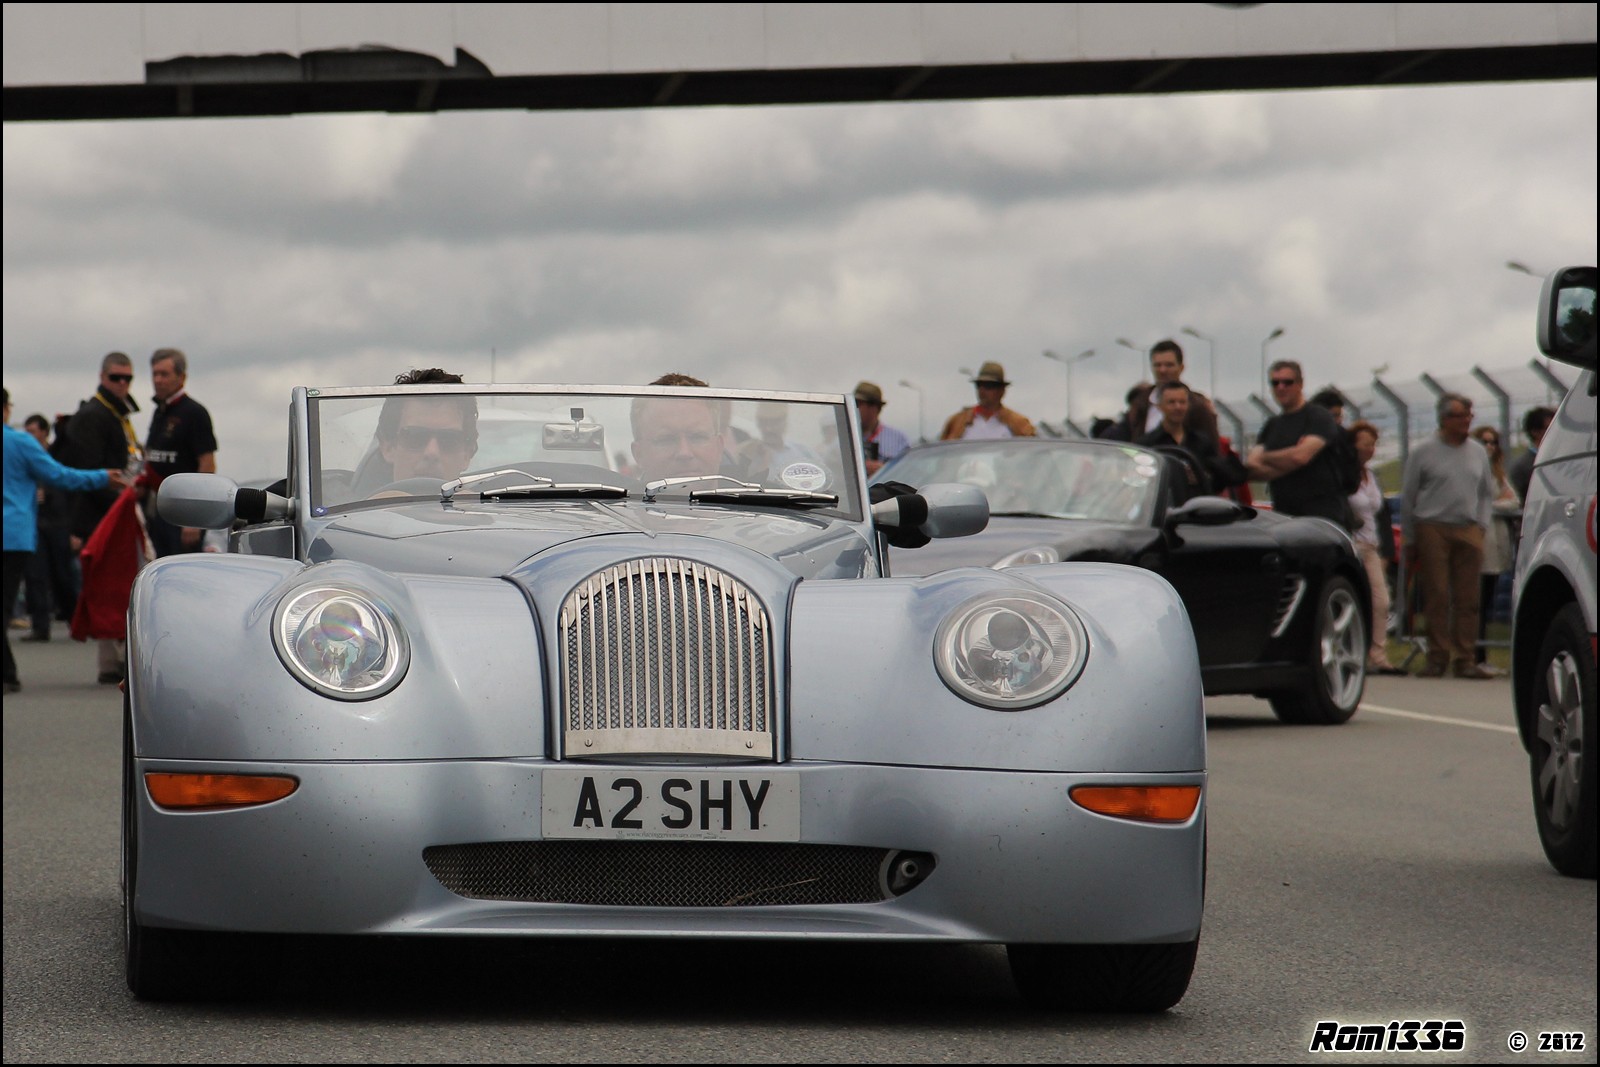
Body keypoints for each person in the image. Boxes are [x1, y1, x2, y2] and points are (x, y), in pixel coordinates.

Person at [4, 388, 125, 693]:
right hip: (13, 534)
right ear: (6, 409)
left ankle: (7, 673)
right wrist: (100, 477)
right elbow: (59, 475)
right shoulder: (19, 443)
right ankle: (6, 673)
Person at [58, 352, 142, 684]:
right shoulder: (93, 415)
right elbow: (87, 473)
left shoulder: (115, 413)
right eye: (116, 378)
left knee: (115, 585)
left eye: (127, 378)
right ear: (102, 377)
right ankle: (114, 661)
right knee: (112, 587)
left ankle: (112, 662)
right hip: (102, 515)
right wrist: (126, 499)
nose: (122, 384)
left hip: (114, 509)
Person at [1402, 393, 1499, 679]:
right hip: (1432, 526)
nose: (1466, 421)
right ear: (1444, 419)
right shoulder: (1423, 452)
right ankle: (1437, 657)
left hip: (1468, 527)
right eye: (1460, 416)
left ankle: (1465, 658)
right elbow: (1409, 496)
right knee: (1438, 594)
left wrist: (1481, 524)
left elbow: (1485, 492)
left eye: (1470, 415)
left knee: (1468, 598)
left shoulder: (1478, 451)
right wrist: (1410, 538)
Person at [1245, 359, 1350, 526]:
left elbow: (1300, 457)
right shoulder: (1272, 425)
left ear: (1300, 384)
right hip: (1284, 519)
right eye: (1275, 383)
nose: (1281, 387)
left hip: (1322, 521)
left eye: (1288, 382)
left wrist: (1267, 457)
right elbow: (1252, 467)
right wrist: (1291, 457)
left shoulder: (1318, 417)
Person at [142, 348, 219, 556]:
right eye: (155, 374)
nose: (158, 380)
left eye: (164, 374)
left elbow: (207, 465)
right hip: (159, 511)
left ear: (181, 377)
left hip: (184, 514)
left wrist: (194, 519)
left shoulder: (194, 413)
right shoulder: (160, 412)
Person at [1346, 420, 1403, 675]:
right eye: (1365, 444)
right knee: (1356, 600)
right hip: (1351, 544)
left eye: (1373, 444)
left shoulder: (1372, 476)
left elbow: (1381, 514)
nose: (1370, 449)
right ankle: (1353, 651)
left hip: (1371, 545)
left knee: (1381, 601)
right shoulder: (1344, 476)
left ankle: (1377, 654)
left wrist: (1386, 551)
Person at [1470, 423, 1521, 670]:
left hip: (1497, 542)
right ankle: (1475, 656)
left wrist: (1495, 503)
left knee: (1487, 601)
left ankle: (1482, 656)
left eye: (1493, 442)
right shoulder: (1472, 471)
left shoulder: (1498, 472)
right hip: (1480, 542)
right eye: (1485, 442)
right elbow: (1476, 503)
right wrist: (1496, 503)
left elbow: (1515, 501)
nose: (1489, 447)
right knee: (1476, 602)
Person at [373, 369, 479, 486]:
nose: (432, 452)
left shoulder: (487, 504)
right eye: (415, 437)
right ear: (389, 447)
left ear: (467, 454)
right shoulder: (357, 504)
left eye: (449, 440)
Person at [1137, 381, 1233, 500]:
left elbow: (1220, 478)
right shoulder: (1148, 444)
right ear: (1159, 406)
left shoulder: (1201, 442)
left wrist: (1202, 476)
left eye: (1182, 402)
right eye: (1171, 402)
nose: (1178, 407)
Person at [631, 380, 726, 483]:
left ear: (719, 447)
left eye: (697, 437)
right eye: (666, 439)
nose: (684, 452)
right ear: (639, 454)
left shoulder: (745, 496)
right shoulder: (615, 498)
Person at [1138, 340, 1220, 440]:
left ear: (1181, 368)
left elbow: (1212, 448)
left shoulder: (1198, 407)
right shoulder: (1139, 405)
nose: (1162, 370)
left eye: (1169, 365)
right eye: (1158, 365)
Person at [939, 362, 1035, 440]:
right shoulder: (958, 422)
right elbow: (943, 454)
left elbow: (1032, 454)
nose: (982, 391)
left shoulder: (1019, 423)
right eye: (979, 385)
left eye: (988, 386)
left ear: (1001, 391)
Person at [853, 381, 910, 476]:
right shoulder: (843, 438)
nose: (854, 409)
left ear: (874, 407)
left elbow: (908, 472)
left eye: (858, 404)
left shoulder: (898, 439)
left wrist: (883, 470)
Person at [1507, 405, 1554, 503]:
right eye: (1550, 428)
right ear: (1535, 432)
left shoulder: (1562, 461)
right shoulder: (1523, 467)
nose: (1555, 432)